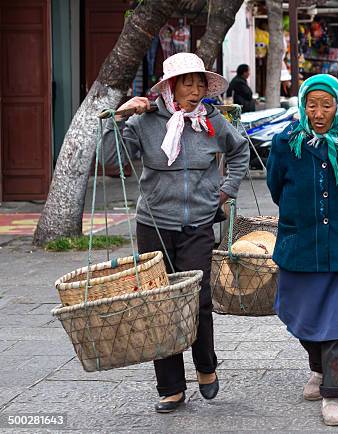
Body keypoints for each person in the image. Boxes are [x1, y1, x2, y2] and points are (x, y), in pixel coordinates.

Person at [102, 53, 250, 412]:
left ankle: (206, 366)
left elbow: (240, 151)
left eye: (200, 83)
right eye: (188, 83)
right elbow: (110, 158)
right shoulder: (145, 121)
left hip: (198, 223)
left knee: (197, 298)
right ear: (170, 87)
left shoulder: (212, 121)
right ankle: (170, 387)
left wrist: (226, 189)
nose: (196, 90)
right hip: (154, 224)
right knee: (158, 303)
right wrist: (119, 116)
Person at [266, 74, 338, 427]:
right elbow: (275, 186)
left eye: (326, 105)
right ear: (302, 105)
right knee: (299, 316)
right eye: (312, 105)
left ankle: (333, 394)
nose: (318, 113)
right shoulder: (286, 143)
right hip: (299, 244)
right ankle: (317, 368)